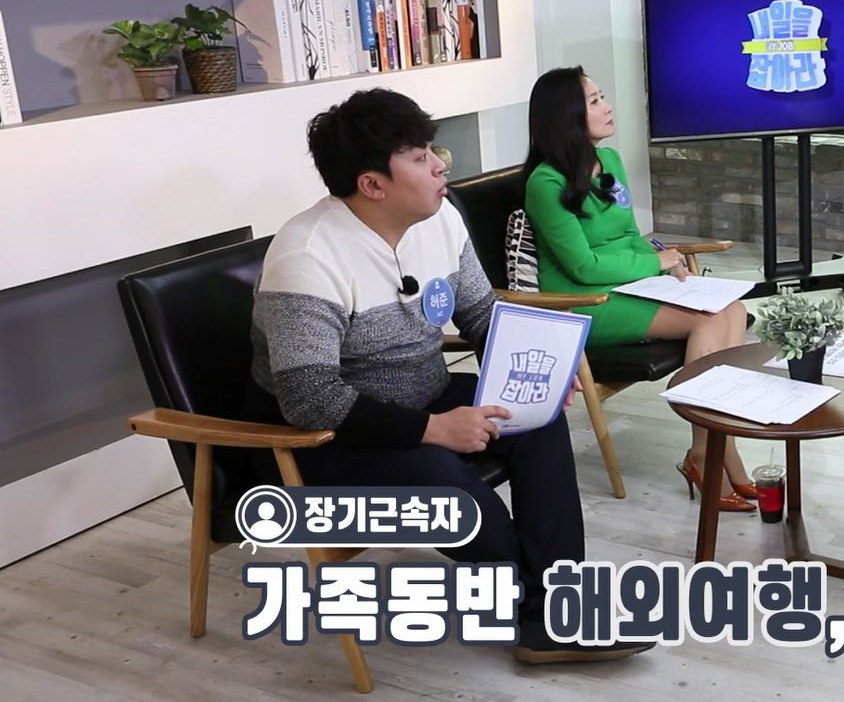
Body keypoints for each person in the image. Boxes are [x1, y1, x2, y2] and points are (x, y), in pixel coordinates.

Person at [250, 88, 652, 663]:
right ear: (373, 185)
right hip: (330, 438)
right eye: (420, 157)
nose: (441, 165)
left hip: (424, 395)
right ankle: (539, 613)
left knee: (535, 421)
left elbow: (481, 314)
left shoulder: (438, 219)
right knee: (447, 483)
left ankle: (554, 601)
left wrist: (530, 374)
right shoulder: (307, 257)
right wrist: (434, 429)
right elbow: (310, 398)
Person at [522, 66, 756, 512]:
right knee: (710, 319)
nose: (607, 107)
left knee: (733, 309)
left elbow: (630, 235)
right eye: (595, 101)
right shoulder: (545, 183)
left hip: (632, 283)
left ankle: (714, 450)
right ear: (567, 115)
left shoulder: (609, 161)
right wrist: (653, 264)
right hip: (583, 301)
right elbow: (583, 267)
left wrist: (663, 265)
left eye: (602, 97)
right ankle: (711, 453)